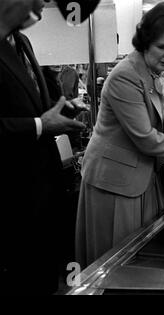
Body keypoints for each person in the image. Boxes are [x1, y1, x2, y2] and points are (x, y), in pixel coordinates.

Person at [76, 2, 164, 268]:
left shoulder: (159, 69)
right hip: (114, 181)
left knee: (138, 255)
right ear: (146, 42)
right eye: (162, 47)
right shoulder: (126, 76)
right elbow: (144, 135)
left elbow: (154, 117)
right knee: (114, 260)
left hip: (143, 176)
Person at [0, 0, 86, 294]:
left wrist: (59, 112)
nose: (41, 6)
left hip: (42, 196)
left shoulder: (21, 41)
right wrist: (39, 125)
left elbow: (32, 104)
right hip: (11, 202)